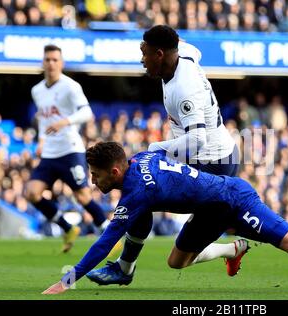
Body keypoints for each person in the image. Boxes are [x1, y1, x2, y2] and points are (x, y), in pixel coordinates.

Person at [42, 142, 288, 294]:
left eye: (97, 174)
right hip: (210, 207)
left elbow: (107, 239)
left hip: (233, 199)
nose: (93, 180)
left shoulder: (139, 193)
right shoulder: (142, 156)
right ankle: (234, 249)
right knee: (176, 261)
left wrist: (70, 279)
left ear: (117, 171)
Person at [87, 25, 250, 285]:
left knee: (176, 250)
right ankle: (125, 269)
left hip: (214, 164)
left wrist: (157, 148)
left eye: (144, 53)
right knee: (147, 202)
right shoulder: (182, 54)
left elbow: (198, 140)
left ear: (160, 54)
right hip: (212, 157)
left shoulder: (184, 88)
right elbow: (191, 48)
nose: (141, 60)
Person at [25, 44, 111, 253]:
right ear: (43, 63)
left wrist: (65, 122)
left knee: (82, 196)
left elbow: (86, 113)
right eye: (48, 59)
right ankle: (67, 227)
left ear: (61, 63)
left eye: (55, 60)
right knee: (31, 193)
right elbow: (44, 121)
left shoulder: (70, 86)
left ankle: (110, 235)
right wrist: (42, 140)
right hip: (49, 153)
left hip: (70, 150)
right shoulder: (37, 91)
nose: (51, 63)